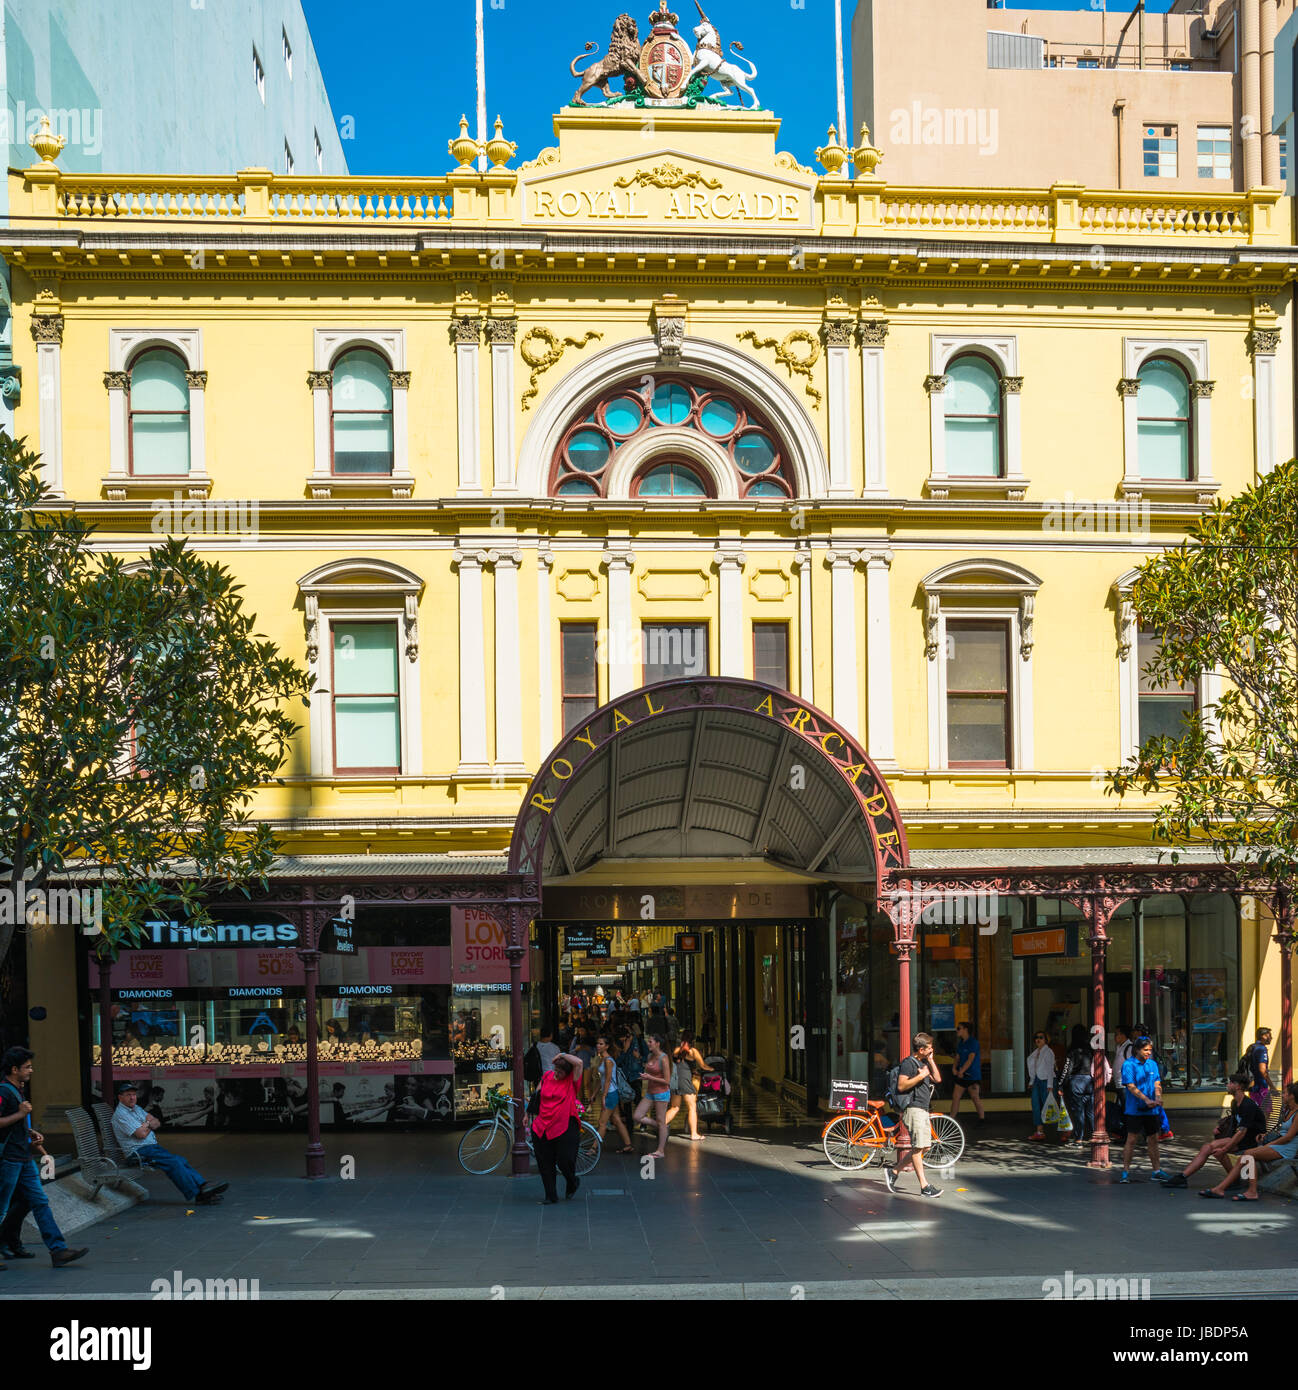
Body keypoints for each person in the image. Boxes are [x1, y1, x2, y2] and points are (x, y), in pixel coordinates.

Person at [0, 1047, 89, 1267]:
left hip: (23, 1158)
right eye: (27, 1067)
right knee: (2, 1207)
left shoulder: (17, 1089)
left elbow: (12, 1124)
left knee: (40, 1202)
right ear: (14, 1069)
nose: (31, 1070)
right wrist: (20, 1115)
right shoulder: (3, 1091)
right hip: (9, 1160)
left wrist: (29, 1132)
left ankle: (58, 1250)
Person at [113, 1081, 229, 1205]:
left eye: (134, 1094)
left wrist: (147, 1125)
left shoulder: (136, 1109)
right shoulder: (121, 1115)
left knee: (180, 1160)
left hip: (150, 1148)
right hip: (138, 1152)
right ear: (120, 1097)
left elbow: (156, 1122)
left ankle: (203, 1186)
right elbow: (141, 1134)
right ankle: (199, 1194)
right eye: (128, 1095)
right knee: (173, 1163)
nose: (132, 1097)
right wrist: (148, 1123)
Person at [1162, 1072, 1266, 1188]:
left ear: (1238, 1086)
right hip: (1240, 1137)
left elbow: (1242, 1131)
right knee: (1208, 1147)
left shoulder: (1248, 1105)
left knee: (1216, 1149)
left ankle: (1233, 1179)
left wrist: (1225, 1148)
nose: (1227, 1085)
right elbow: (1235, 1123)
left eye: (1230, 1083)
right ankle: (1183, 1177)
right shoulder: (1235, 1103)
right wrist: (1221, 1128)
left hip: (1252, 1140)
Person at [1203, 1083, 1298, 1201]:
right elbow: (1281, 1130)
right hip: (1279, 1143)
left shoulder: (1297, 1114)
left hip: (1287, 1148)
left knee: (1248, 1154)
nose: (1282, 1095)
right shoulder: (1288, 1110)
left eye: (1284, 1093)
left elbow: (1288, 1137)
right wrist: (1265, 1136)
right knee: (1247, 1156)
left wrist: (1269, 1144)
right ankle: (1233, 1188)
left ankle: (1241, 1190)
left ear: (1292, 1096)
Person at [887, 1032, 943, 1197]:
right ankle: (924, 1186)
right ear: (920, 1049)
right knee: (918, 1147)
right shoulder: (908, 1064)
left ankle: (894, 1171)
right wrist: (920, 1076)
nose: (932, 1049)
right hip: (913, 1108)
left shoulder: (923, 1061)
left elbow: (938, 1079)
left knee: (924, 1146)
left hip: (923, 1108)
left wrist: (931, 1060)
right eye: (929, 1048)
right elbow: (902, 1086)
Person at [531, 1051, 584, 1204]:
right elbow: (537, 1094)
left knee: (564, 1160)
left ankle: (572, 1181)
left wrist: (561, 1054)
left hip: (565, 1124)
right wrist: (529, 1114)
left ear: (568, 1073)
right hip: (543, 1125)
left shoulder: (571, 1081)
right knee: (545, 1162)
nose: (557, 1074)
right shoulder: (547, 1076)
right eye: (556, 1070)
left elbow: (579, 1062)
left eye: (560, 1072)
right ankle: (550, 1195)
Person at [1119, 1035, 1168, 1183]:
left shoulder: (1152, 1064)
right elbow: (1131, 1086)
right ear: (1137, 1050)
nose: (1148, 1052)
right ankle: (1125, 1172)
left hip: (1151, 1109)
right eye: (1146, 1050)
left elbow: (1157, 1082)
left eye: (1150, 1050)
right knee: (1132, 1139)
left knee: (1153, 1139)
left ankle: (1156, 1171)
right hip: (1135, 1109)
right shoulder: (1128, 1065)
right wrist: (1146, 1099)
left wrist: (1158, 1097)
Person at [632, 1034, 671, 1159]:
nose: (648, 1043)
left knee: (661, 1120)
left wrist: (650, 1077)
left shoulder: (663, 1058)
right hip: (650, 1092)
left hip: (661, 1093)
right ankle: (662, 1127)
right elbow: (648, 1071)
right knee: (637, 1116)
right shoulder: (650, 1056)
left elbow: (667, 1081)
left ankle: (660, 1151)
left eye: (650, 1042)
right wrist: (643, 1075)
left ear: (657, 1043)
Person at [664, 1033, 708, 1141]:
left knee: (674, 1108)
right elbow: (703, 1065)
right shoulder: (693, 1051)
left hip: (675, 1081)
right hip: (685, 1082)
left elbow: (679, 1064)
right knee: (692, 1107)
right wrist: (712, 1069)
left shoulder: (676, 1050)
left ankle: (659, 1125)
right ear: (692, 1041)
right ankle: (694, 1134)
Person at [592, 1037, 632, 1153]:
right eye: (597, 1043)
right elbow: (602, 1079)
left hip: (610, 1094)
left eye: (601, 1044)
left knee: (602, 1123)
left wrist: (603, 1096)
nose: (598, 1046)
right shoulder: (602, 1059)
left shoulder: (608, 1061)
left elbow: (608, 1080)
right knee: (616, 1119)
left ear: (607, 1046)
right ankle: (628, 1144)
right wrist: (594, 1093)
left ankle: (594, 1148)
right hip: (610, 1093)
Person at [1058, 1024, 1097, 1143]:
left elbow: (1067, 1068)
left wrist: (1061, 1084)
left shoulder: (1072, 1049)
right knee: (1090, 1111)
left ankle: (1078, 1138)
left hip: (1076, 1081)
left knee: (1078, 1111)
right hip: (1089, 1081)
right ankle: (1094, 1134)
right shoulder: (1090, 1048)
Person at [950, 1021, 985, 1122]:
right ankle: (951, 1120)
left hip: (972, 1075)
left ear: (965, 1029)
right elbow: (958, 1057)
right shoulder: (961, 1043)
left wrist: (962, 1071)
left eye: (959, 1028)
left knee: (974, 1097)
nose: (957, 1030)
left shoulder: (973, 1042)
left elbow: (971, 1058)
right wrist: (954, 1068)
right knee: (955, 1096)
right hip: (962, 1075)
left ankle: (982, 1119)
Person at [1026, 1030, 1056, 1140]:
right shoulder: (1035, 1053)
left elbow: (1049, 1069)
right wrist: (1031, 1082)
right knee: (1035, 1105)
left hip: (1046, 1081)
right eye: (1036, 1037)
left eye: (1041, 1037)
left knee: (1050, 1106)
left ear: (1046, 1039)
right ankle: (1039, 1132)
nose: (1038, 1039)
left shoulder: (1048, 1052)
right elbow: (1033, 1070)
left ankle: (1065, 1129)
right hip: (1037, 1081)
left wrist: (1050, 1085)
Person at [1243, 1027, 1274, 1117]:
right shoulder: (1261, 1049)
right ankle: (1263, 1131)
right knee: (1265, 1112)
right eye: (1269, 1035)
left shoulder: (1253, 1047)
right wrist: (1272, 1086)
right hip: (1260, 1086)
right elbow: (1262, 1070)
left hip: (1253, 1086)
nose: (1271, 1038)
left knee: (1256, 1111)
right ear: (1263, 1036)